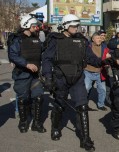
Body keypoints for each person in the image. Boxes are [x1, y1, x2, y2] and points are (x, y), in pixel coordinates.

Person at [42, 14, 102, 151]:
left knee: (82, 106)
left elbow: (90, 57)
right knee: (59, 105)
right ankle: (56, 127)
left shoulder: (81, 40)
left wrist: (102, 61)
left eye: (77, 25)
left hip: (77, 79)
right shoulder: (55, 40)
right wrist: (48, 77)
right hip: (60, 78)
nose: (77, 28)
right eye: (74, 26)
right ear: (65, 26)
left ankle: (85, 139)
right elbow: (47, 60)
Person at [8, 15, 46, 134]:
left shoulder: (37, 39)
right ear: (27, 26)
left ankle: (36, 123)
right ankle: (23, 122)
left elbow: (42, 52)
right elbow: (13, 55)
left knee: (39, 97)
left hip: (35, 76)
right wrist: (26, 64)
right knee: (23, 99)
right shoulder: (17, 39)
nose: (37, 28)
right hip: (22, 74)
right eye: (34, 26)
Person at [84, 30, 110, 111]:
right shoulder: (88, 47)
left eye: (100, 38)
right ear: (92, 39)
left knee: (102, 90)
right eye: (97, 38)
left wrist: (108, 59)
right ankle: (84, 104)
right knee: (86, 88)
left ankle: (100, 104)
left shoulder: (104, 47)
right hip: (88, 72)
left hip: (100, 72)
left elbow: (108, 56)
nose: (99, 39)